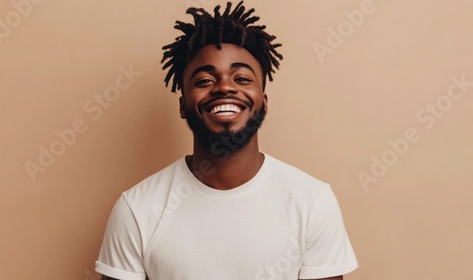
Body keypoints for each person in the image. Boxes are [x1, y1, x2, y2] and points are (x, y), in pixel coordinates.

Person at [95, 2, 358, 279]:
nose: (224, 87)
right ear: (183, 105)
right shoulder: (137, 208)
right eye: (205, 80)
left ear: (264, 102)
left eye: (242, 77)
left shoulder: (312, 201)